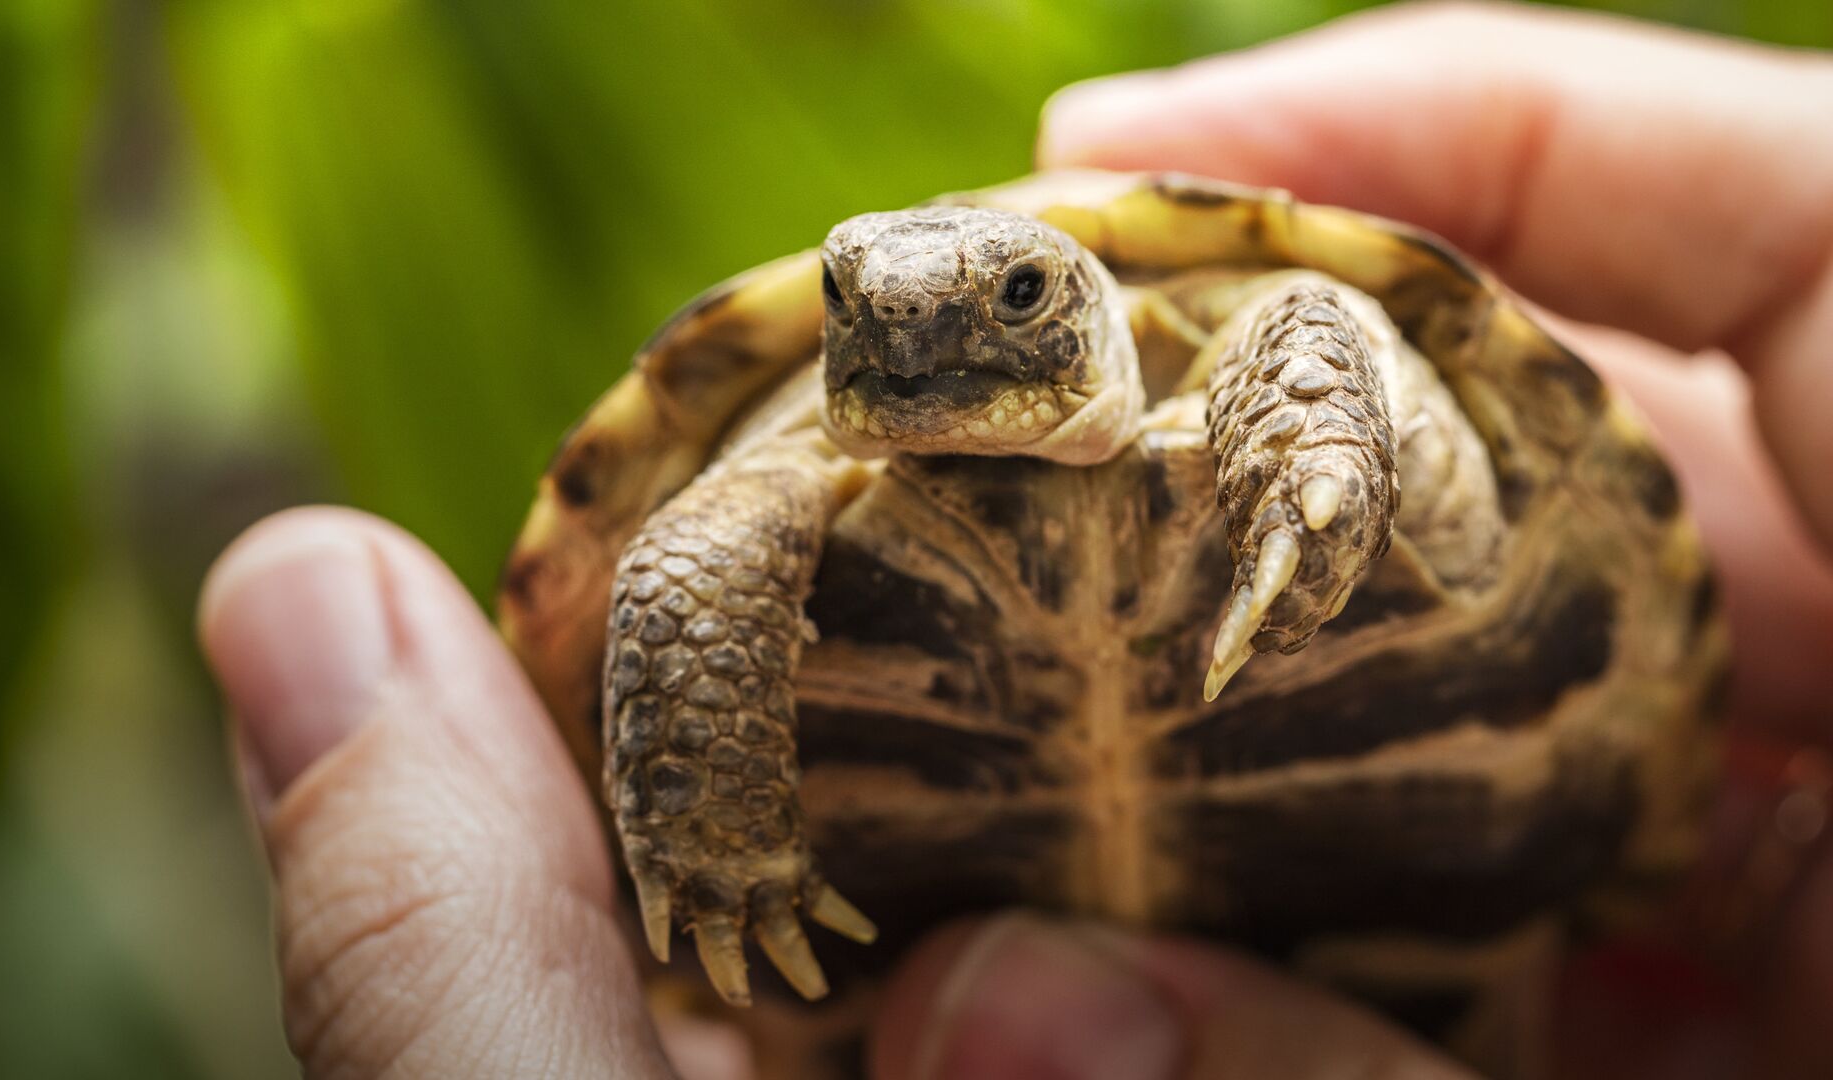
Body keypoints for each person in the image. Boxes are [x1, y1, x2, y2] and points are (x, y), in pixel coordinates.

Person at [197, 5, 1833, 1077]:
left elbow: (1407, 409)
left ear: (1092, 307)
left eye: (1016, 297)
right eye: (865, 312)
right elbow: (680, 567)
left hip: (1467, 926)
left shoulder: (1273, 329)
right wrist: (706, 837)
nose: (918, 341)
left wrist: (1320, 431)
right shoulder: (772, 490)